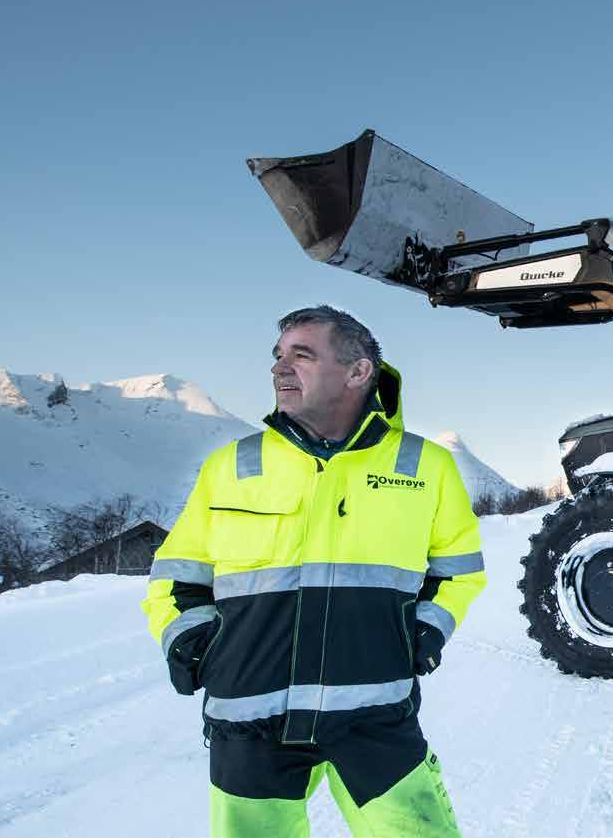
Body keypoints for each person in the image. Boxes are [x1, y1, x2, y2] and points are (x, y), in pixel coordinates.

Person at [142, 305, 485, 837]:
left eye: (301, 355)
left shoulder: (425, 467)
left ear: (357, 371)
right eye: (278, 355)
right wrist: (187, 638)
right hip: (249, 721)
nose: (279, 368)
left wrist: (426, 630)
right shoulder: (231, 465)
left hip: (374, 714)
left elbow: (458, 570)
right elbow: (177, 575)